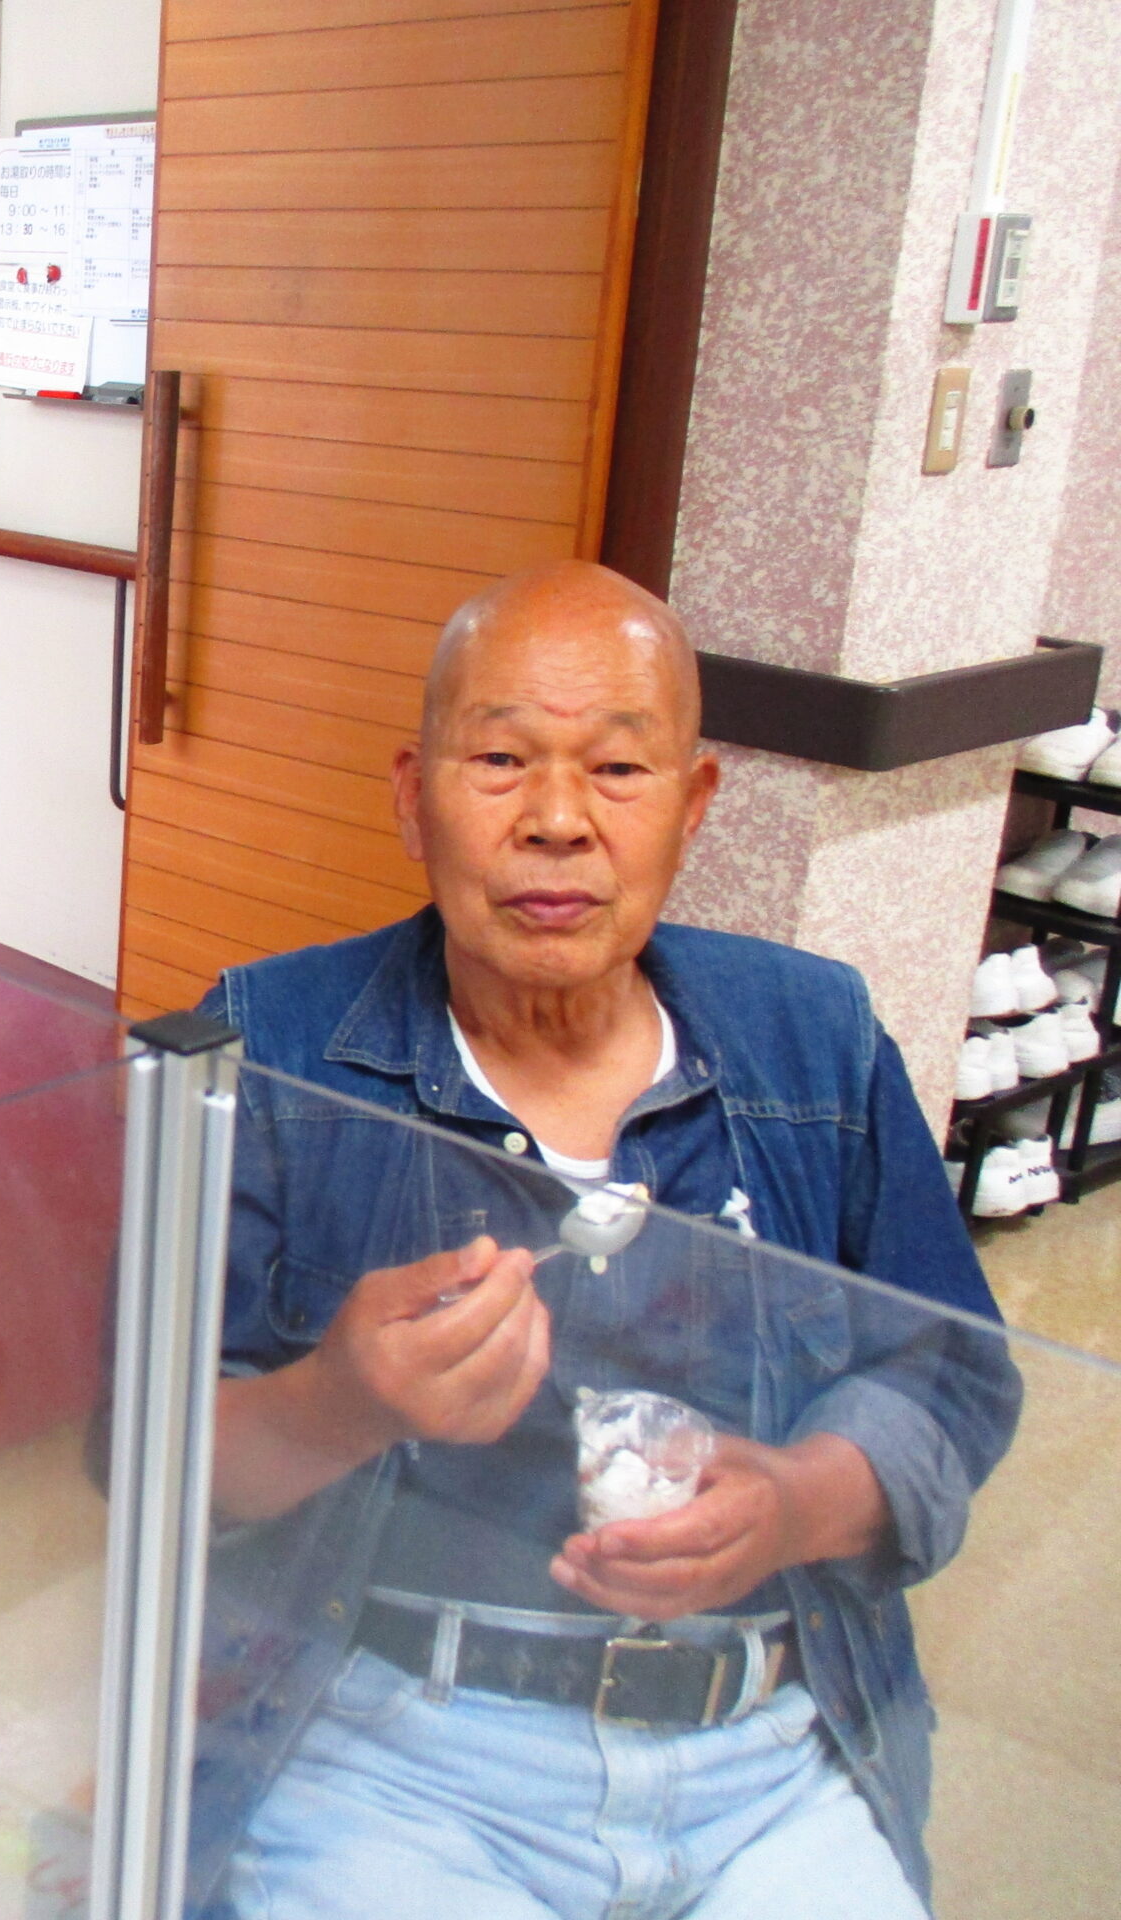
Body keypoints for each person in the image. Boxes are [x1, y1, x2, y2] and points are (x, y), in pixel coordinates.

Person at [188, 560, 1021, 1919]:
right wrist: (340, 1400)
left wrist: (798, 1500)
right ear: (412, 796)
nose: (558, 822)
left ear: (694, 804)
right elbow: (139, 1456)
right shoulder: (273, 1049)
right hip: (388, 1760)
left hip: (772, 1759)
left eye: (620, 771)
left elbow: (958, 1377)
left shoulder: (812, 1037)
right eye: (500, 759)